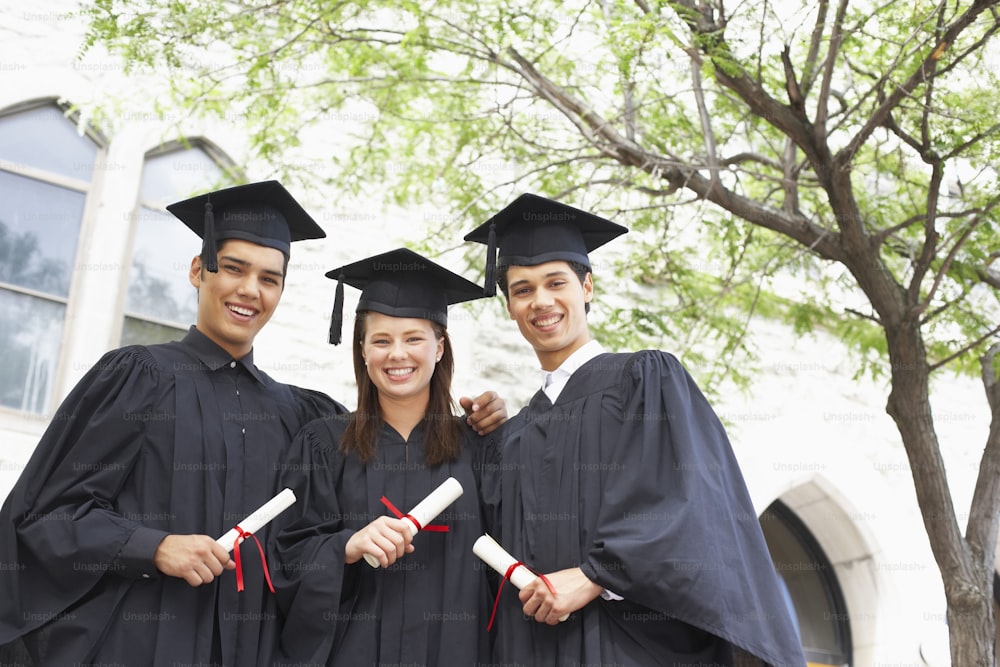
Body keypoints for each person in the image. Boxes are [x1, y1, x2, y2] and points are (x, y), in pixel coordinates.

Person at [0, 181, 506, 666]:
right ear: (199, 270)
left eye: (269, 278)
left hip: (250, 648)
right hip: (141, 639)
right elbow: (45, 515)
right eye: (235, 269)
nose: (250, 290)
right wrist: (154, 546)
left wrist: (484, 421)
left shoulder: (301, 416)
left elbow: (382, 452)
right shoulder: (139, 378)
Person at [464, 193, 807, 667]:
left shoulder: (645, 381)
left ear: (587, 286)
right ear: (509, 307)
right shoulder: (516, 435)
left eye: (555, 282)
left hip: (629, 645)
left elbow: (689, 503)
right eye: (522, 290)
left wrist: (593, 577)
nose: (541, 301)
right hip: (532, 649)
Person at [271, 247, 501, 666]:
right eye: (381, 340)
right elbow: (285, 558)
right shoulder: (323, 444)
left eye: (414, 338)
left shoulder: (481, 447)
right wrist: (346, 545)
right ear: (362, 350)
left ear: (439, 347)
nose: (397, 354)